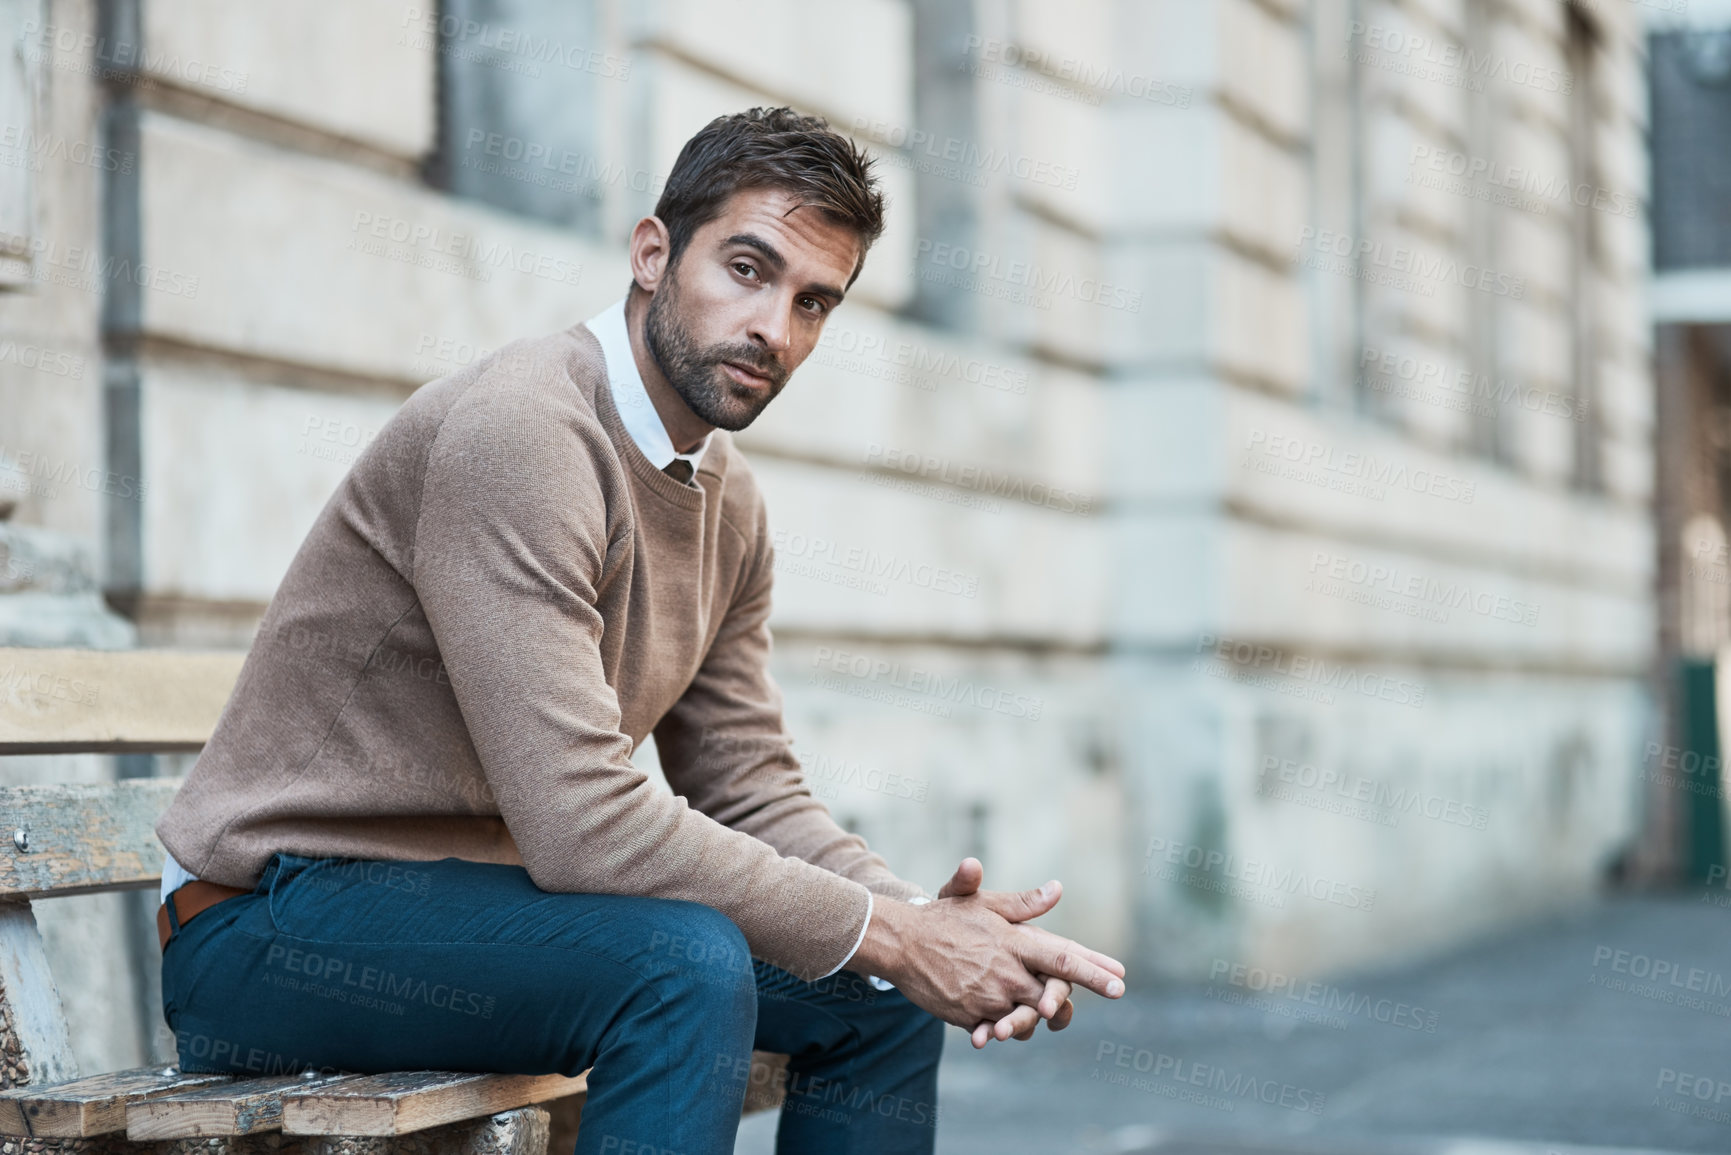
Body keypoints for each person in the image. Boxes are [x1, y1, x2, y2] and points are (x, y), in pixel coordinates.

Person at [152, 105, 1124, 1155]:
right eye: (747, 270)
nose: (773, 329)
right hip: (270, 925)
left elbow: (748, 784)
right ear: (652, 253)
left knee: (876, 995)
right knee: (684, 964)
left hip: (479, 913)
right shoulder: (523, 431)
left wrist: (916, 925)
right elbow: (584, 821)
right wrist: (897, 934)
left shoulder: (728, 500)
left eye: (812, 303)